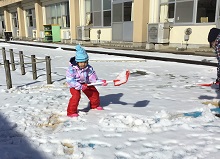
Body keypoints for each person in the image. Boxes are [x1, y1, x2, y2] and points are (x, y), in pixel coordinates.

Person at [66, 45, 107, 117]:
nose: (83, 64)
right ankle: (71, 112)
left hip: (86, 83)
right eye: (81, 62)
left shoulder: (89, 68)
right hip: (74, 84)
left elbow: (93, 79)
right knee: (76, 96)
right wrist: (79, 86)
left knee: (94, 93)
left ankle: (94, 105)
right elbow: (70, 80)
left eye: (85, 62)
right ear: (77, 62)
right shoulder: (71, 69)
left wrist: (100, 82)